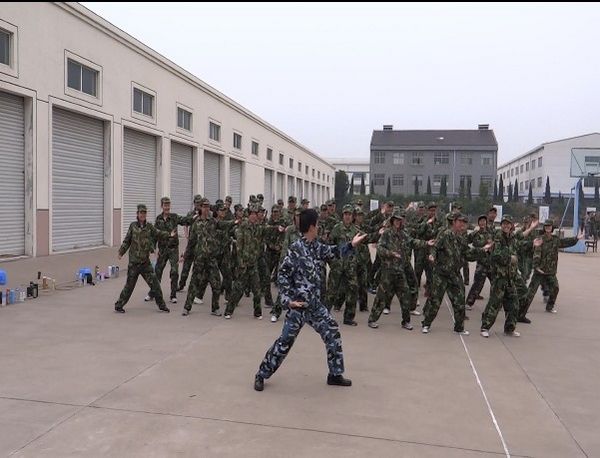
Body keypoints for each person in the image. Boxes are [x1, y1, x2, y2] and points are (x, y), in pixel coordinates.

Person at [253, 208, 368, 391]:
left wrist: (351, 245)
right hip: (298, 307)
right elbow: (282, 275)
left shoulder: (316, 245)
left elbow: (332, 252)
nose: (319, 227)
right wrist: (287, 300)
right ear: (312, 226)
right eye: (318, 224)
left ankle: (335, 374)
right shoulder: (296, 249)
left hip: (314, 306)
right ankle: (261, 374)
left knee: (332, 333)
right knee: (284, 343)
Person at [421, 213, 493, 335]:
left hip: (454, 274)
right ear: (454, 222)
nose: (462, 225)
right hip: (441, 274)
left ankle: (459, 328)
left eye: (464, 223)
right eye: (460, 222)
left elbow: (468, 254)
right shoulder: (445, 234)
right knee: (435, 301)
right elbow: (435, 247)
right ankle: (426, 324)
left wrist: (483, 250)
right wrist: (432, 255)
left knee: (459, 301)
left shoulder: (461, 239)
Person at [479, 215, 540, 338]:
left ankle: (509, 329)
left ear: (511, 225)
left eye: (508, 224)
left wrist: (532, 243)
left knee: (514, 304)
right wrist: (509, 258)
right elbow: (496, 254)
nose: (506, 226)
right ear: (501, 225)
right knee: (494, 303)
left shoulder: (512, 237)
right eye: (504, 224)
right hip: (500, 277)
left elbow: (520, 242)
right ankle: (485, 327)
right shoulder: (498, 236)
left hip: (510, 277)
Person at [115, 204, 176, 313]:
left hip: (145, 264)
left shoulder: (149, 226)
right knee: (129, 287)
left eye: (144, 213)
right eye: (141, 213)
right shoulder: (133, 226)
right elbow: (127, 240)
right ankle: (119, 305)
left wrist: (169, 234)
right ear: (137, 214)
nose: (143, 215)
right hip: (134, 263)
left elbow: (158, 233)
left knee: (155, 284)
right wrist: (121, 252)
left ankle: (161, 305)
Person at [518, 219, 583, 320]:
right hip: (539, 271)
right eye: (546, 226)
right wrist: (536, 266)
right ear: (544, 228)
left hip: (550, 272)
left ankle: (550, 306)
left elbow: (565, 242)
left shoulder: (555, 239)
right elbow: (537, 253)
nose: (548, 228)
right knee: (530, 293)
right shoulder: (540, 239)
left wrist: (576, 238)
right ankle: (521, 314)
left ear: (552, 228)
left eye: (549, 226)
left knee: (555, 288)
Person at [145, 197, 191, 304]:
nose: (167, 207)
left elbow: (184, 220)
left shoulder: (174, 217)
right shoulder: (158, 219)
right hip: (162, 250)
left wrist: (195, 216)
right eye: (165, 205)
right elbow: (154, 235)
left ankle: (173, 295)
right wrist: (153, 249)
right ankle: (153, 293)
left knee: (174, 271)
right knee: (157, 272)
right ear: (162, 206)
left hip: (173, 249)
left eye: (168, 205)